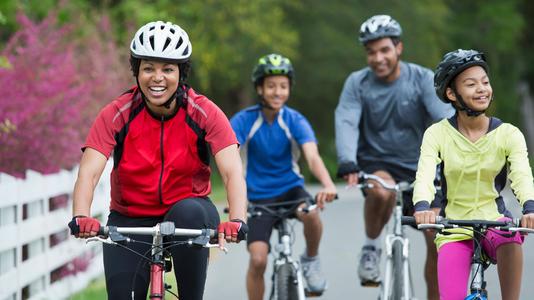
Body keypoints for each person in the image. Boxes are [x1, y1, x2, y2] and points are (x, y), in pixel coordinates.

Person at [67, 20, 248, 300]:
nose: (157, 77)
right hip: (129, 217)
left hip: (191, 212)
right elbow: (89, 173)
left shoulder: (204, 112)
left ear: (181, 73)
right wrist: (81, 215)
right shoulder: (116, 113)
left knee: (187, 213)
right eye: (148, 68)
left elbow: (232, 172)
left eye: (167, 69)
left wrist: (236, 219)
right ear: (137, 71)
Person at [334, 14, 454, 299]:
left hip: (423, 170)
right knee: (380, 192)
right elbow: (347, 120)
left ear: (398, 48)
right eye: (371, 52)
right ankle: (371, 247)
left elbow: (444, 119)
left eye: (384, 50)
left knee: (437, 240)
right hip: (378, 165)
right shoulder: (357, 83)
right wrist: (347, 159)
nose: (378, 58)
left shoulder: (422, 78)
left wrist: (456, 154)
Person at [413, 49, 534, 300]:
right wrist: (423, 206)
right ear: (451, 94)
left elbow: (521, 176)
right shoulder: (437, 134)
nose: (482, 89)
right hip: (454, 227)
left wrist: (530, 208)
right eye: (471, 84)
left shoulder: (508, 134)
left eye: (485, 82)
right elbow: (424, 174)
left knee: (511, 237)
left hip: (495, 221)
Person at [230, 53, 337, 300]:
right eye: (271, 86)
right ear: (259, 88)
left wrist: (328, 184)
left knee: (311, 213)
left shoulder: (294, 120)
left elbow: (312, 157)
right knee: (257, 260)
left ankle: (311, 259)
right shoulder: (245, 120)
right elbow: (230, 158)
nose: (277, 92)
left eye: (283, 86)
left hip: (291, 191)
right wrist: (237, 199)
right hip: (258, 198)